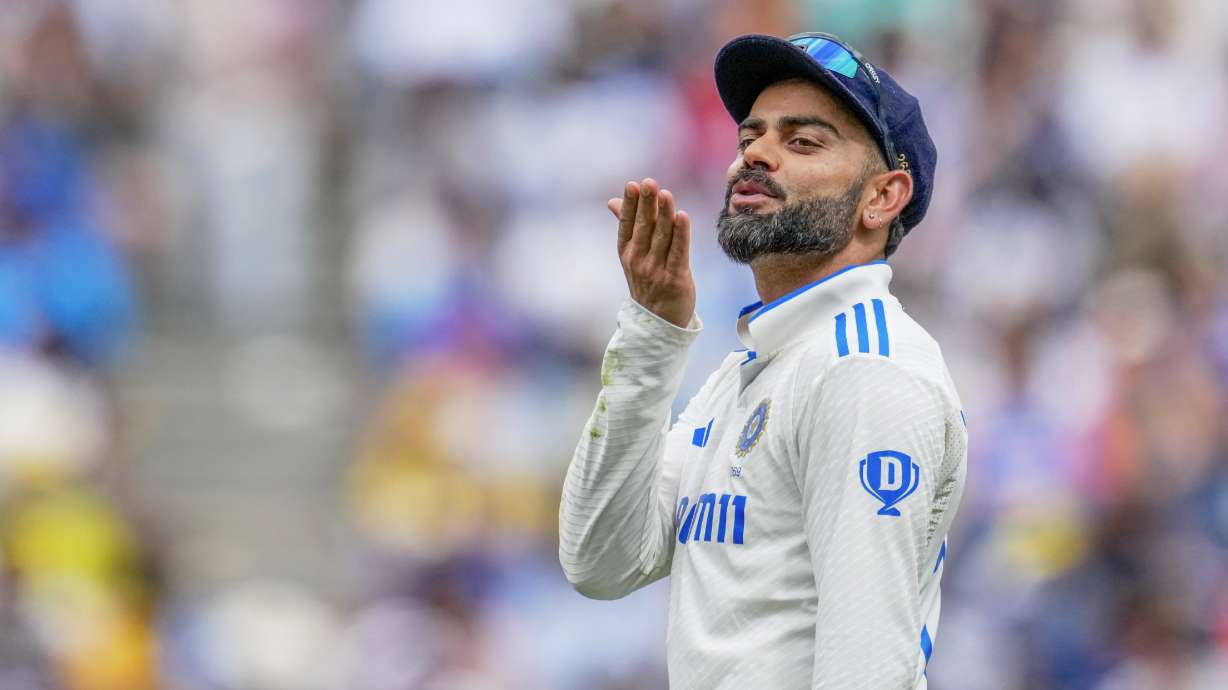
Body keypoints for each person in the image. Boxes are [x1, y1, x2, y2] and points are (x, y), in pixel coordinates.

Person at [558, 31, 967, 689]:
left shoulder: (864, 371)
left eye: (802, 142)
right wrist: (652, 333)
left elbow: (866, 671)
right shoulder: (753, 367)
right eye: (750, 138)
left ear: (882, 197)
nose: (755, 157)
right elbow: (601, 560)